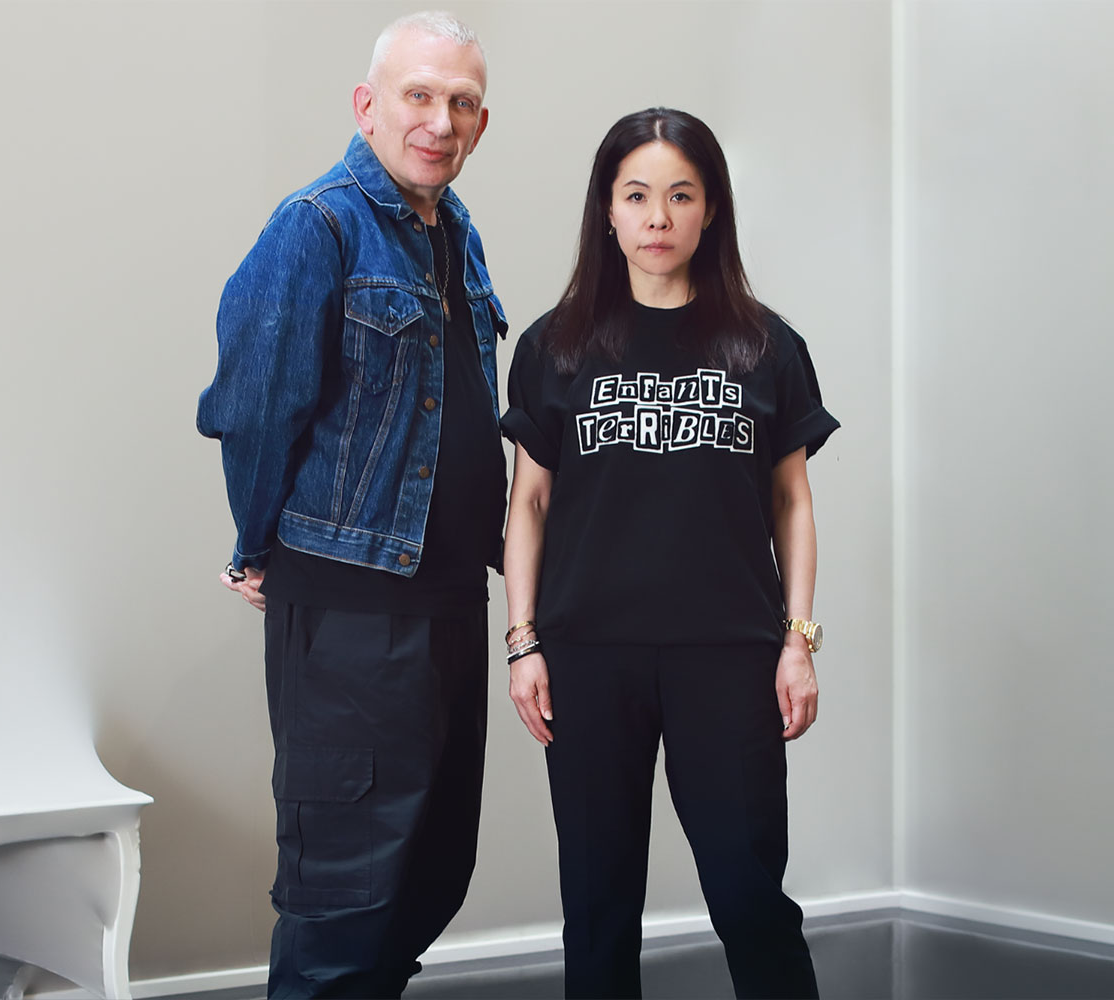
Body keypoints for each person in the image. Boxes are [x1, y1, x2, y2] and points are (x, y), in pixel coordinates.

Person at [195, 12, 507, 998]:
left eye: (461, 103)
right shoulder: (318, 225)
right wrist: (257, 545)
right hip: (353, 615)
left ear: (481, 122)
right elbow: (252, 406)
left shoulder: (456, 233)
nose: (440, 121)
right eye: (419, 95)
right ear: (368, 106)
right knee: (344, 897)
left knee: (431, 873)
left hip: (450, 604)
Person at [500, 107, 837, 1000]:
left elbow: (792, 500)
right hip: (587, 655)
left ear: (710, 209)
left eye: (681, 196)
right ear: (607, 211)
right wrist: (523, 641)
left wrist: (798, 640)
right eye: (637, 196)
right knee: (597, 905)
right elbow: (528, 502)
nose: (658, 217)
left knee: (749, 895)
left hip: (727, 655)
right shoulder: (554, 347)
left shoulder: (766, 346)